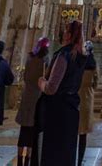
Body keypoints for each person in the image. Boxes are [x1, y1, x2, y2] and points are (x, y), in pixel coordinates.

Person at [36, 20, 87, 166]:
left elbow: (52, 88)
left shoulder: (64, 55)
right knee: (66, 152)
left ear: (69, 35)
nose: (62, 33)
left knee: (54, 152)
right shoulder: (81, 56)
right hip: (71, 109)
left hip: (57, 110)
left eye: (65, 31)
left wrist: (41, 82)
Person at [16, 37, 50, 166]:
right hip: (38, 97)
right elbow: (46, 78)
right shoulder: (45, 60)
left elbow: (25, 77)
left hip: (27, 96)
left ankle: (20, 159)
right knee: (33, 132)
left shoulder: (30, 59)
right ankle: (29, 159)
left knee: (24, 130)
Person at [77, 41, 98, 166]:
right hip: (87, 98)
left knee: (73, 129)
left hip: (74, 98)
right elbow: (96, 83)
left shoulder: (77, 63)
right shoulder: (93, 65)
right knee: (83, 132)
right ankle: (80, 160)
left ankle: (71, 157)